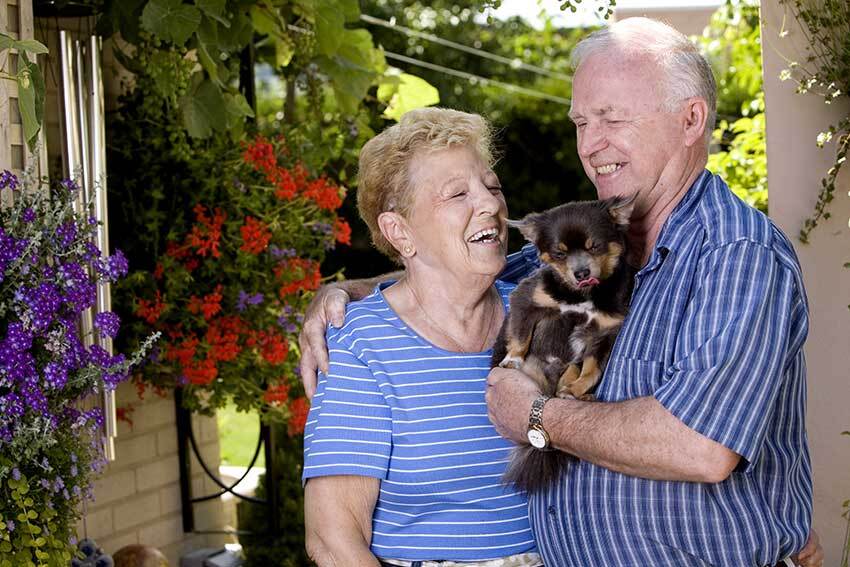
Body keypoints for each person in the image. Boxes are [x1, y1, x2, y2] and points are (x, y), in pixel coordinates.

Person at [299, 19, 824, 567]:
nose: (591, 145)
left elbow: (701, 446)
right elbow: (456, 271)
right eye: (581, 122)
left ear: (691, 119)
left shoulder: (736, 256)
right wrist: (349, 292)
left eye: (612, 118)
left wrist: (535, 417)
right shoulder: (579, 253)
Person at [302, 108, 544, 567]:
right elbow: (334, 540)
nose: (490, 204)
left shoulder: (540, 316)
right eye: (458, 194)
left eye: (492, 186)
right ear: (400, 232)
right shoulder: (362, 343)